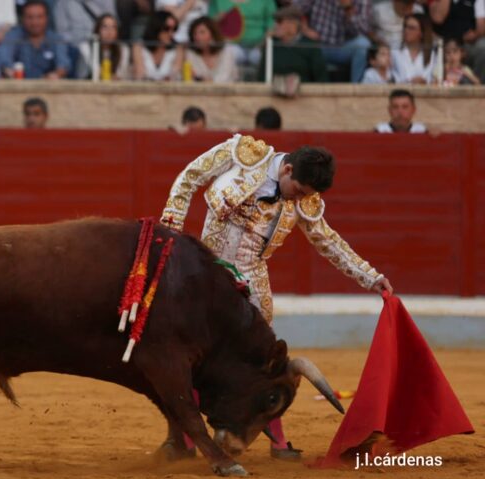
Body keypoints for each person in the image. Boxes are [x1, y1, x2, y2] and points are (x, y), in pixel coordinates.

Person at [160, 134, 393, 460]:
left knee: (264, 361)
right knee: (195, 354)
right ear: (285, 170)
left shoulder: (304, 201)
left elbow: (329, 242)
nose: (299, 199)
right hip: (206, 270)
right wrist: (169, 227)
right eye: (297, 190)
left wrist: (370, 277)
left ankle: (277, 440)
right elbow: (189, 177)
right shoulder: (242, 154)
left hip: (252, 279)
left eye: (305, 195)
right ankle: (183, 437)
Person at [294, 0, 373, 82]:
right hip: (318, 46)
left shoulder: (362, 1)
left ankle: (356, 89)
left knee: (363, 44)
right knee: (301, 42)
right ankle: (303, 87)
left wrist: (348, 8)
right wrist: (304, 28)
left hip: (344, 47)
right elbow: (294, 10)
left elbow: (364, 31)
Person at [0, 0, 72, 79]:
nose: (35, 22)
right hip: (18, 87)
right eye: (30, 17)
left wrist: (56, 75)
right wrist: (10, 72)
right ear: (23, 18)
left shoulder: (56, 39)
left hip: (48, 87)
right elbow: (5, 62)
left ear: (46, 18)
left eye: (39, 17)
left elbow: (63, 65)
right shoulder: (13, 36)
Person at [260, 5, 328, 83]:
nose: (275, 25)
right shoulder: (271, 44)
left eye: (279, 21)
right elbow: (261, 76)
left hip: (305, 93)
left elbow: (321, 79)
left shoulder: (310, 46)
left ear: (293, 24)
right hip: (273, 93)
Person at [209, 0, 277, 71]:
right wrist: (217, 19)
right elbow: (208, 25)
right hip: (230, 46)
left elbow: (272, 26)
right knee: (230, 54)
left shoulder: (267, 1)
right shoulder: (217, 1)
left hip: (259, 47)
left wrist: (262, 44)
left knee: (258, 57)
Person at [132, 10, 183, 80]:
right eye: (166, 29)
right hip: (144, 89)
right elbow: (140, 74)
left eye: (174, 29)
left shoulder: (177, 48)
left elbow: (175, 75)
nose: (171, 34)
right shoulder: (139, 46)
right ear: (156, 27)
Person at [184, 16, 238, 82]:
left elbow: (224, 78)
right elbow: (192, 79)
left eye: (202, 32)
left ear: (212, 34)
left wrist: (205, 81)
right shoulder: (191, 53)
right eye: (195, 33)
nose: (197, 37)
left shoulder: (226, 50)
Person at [78, 13, 132, 79]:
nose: (109, 32)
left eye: (113, 27)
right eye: (105, 27)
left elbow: (121, 75)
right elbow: (94, 72)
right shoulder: (85, 47)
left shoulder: (124, 49)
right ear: (98, 30)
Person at [391, 13, 438, 84]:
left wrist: (424, 81)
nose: (406, 30)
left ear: (422, 33)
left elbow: (432, 77)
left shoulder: (432, 54)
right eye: (405, 26)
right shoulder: (394, 51)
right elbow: (391, 76)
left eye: (411, 28)